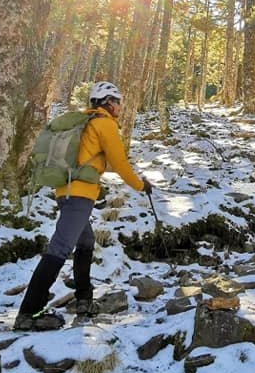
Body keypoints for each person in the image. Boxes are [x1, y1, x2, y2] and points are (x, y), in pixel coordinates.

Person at [14, 81, 152, 330]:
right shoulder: (104, 124)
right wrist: (141, 186)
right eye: (118, 101)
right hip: (80, 196)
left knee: (85, 242)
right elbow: (119, 163)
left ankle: (84, 300)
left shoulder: (86, 122)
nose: (120, 106)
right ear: (109, 102)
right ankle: (28, 313)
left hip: (66, 191)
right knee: (59, 248)